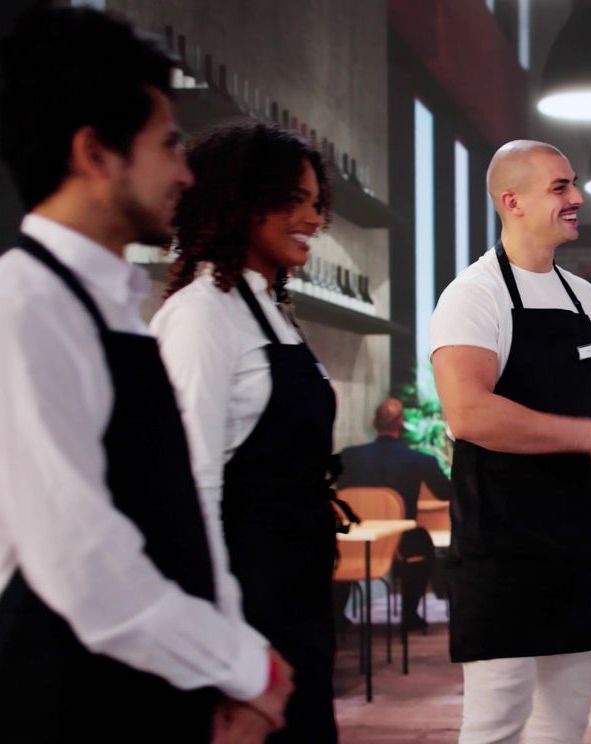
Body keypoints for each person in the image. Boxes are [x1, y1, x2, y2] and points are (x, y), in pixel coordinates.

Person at [0, 7, 292, 742]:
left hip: (159, 688)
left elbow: (177, 507)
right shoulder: (23, 308)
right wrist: (242, 667)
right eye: (167, 145)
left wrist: (235, 659)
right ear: (95, 153)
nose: (185, 173)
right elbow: (83, 565)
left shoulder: (116, 308)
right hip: (72, 700)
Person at [430, 140, 591, 743]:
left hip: (581, 537)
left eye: (573, 183)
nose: (577, 197)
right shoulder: (472, 296)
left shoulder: (583, 296)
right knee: (496, 722)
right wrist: (590, 435)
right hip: (501, 540)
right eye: (561, 187)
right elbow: (470, 413)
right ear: (513, 201)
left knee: (565, 722)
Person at [152, 120, 341, 742]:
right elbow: (190, 488)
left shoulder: (268, 311)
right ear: (239, 200)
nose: (313, 219)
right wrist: (221, 640)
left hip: (297, 586)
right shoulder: (201, 316)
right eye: (295, 200)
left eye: (316, 203)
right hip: (248, 592)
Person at [337, 397, 452, 631]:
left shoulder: (347, 458)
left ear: (374, 423)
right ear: (401, 423)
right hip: (401, 543)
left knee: (338, 547)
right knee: (423, 544)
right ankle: (410, 616)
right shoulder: (420, 460)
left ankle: (336, 617)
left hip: (354, 543)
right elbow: (445, 492)